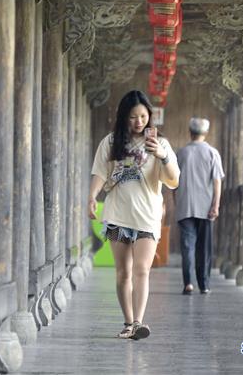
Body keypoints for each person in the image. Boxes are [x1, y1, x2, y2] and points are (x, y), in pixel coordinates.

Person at [88, 89, 180, 340]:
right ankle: (128, 322)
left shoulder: (161, 144)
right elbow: (100, 172)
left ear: (150, 117)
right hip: (117, 214)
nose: (139, 122)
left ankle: (139, 322)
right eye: (132, 117)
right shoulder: (110, 142)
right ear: (123, 118)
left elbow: (173, 180)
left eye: (143, 116)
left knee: (142, 270)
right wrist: (92, 196)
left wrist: (161, 156)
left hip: (147, 217)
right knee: (123, 273)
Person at [175, 116, 224, 295]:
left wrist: (176, 202)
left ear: (190, 132)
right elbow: (217, 181)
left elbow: (174, 182)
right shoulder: (212, 153)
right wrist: (215, 205)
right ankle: (204, 284)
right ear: (206, 133)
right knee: (204, 248)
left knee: (188, 247)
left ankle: (188, 283)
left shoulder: (181, 153)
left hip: (185, 205)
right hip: (206, 207)